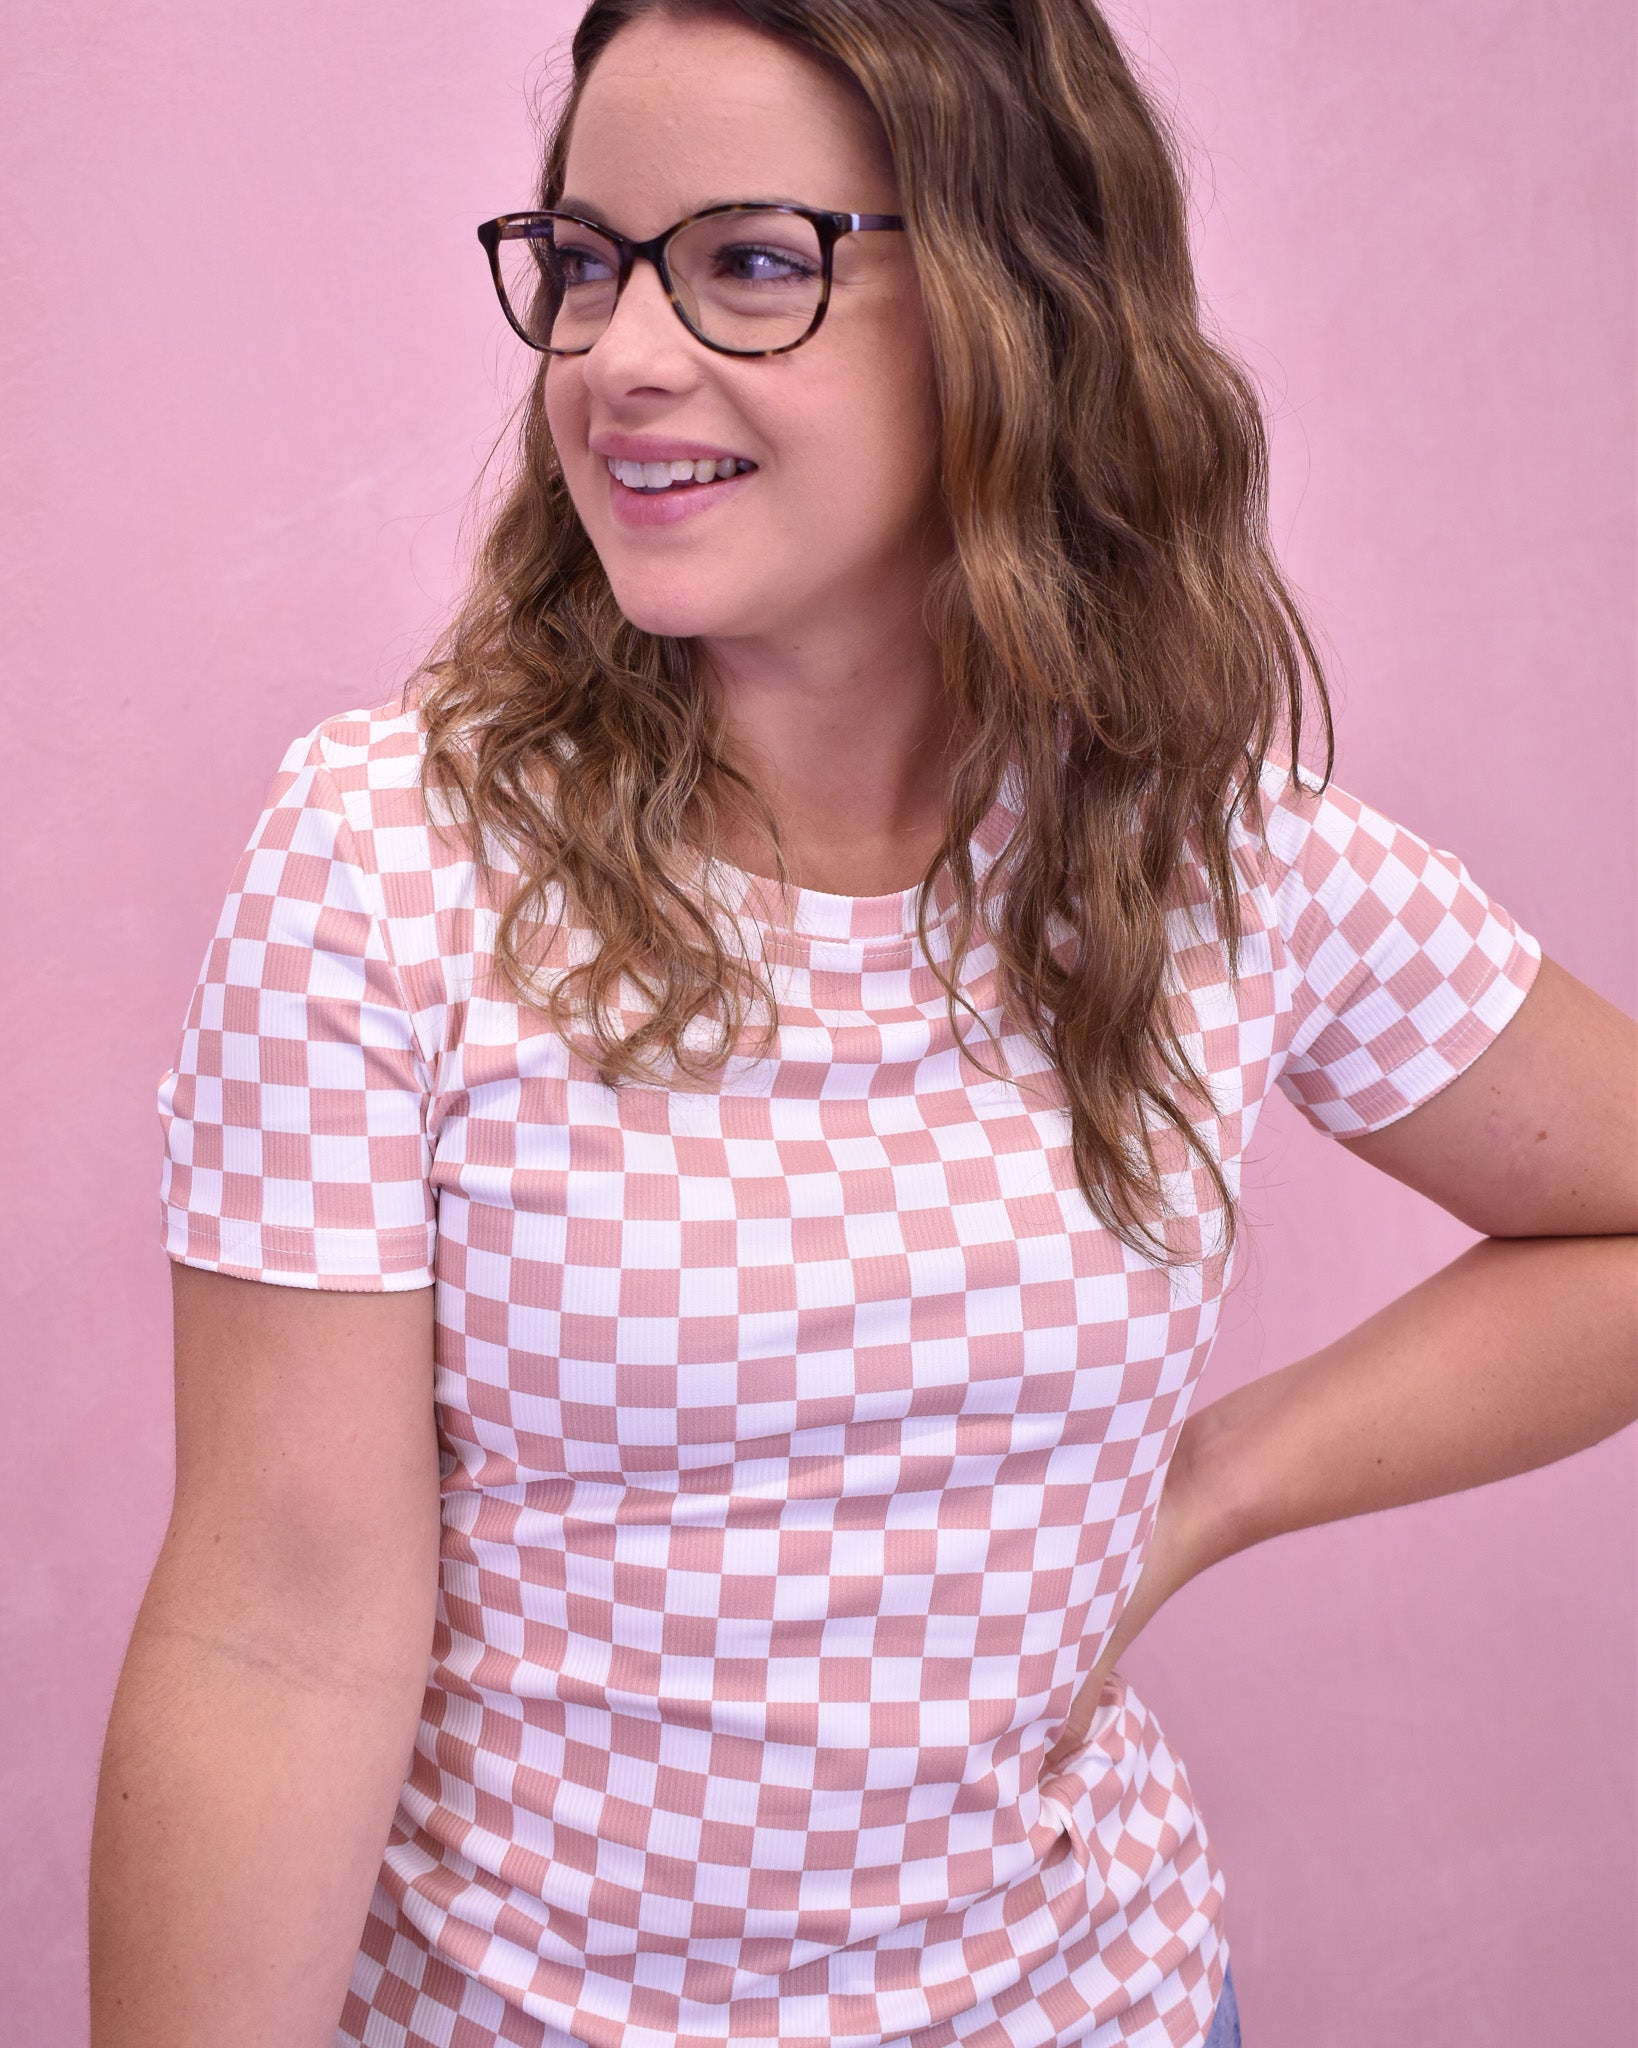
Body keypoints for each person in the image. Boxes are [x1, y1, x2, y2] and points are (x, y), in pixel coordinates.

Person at [88, 2, 1636, 2044]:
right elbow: (279, 1630)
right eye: (581, 262)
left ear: (1023, 307)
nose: (620, 354)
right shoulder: (391, 861)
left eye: (746, 260)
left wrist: (1205, 1492)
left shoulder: (1220, 856)